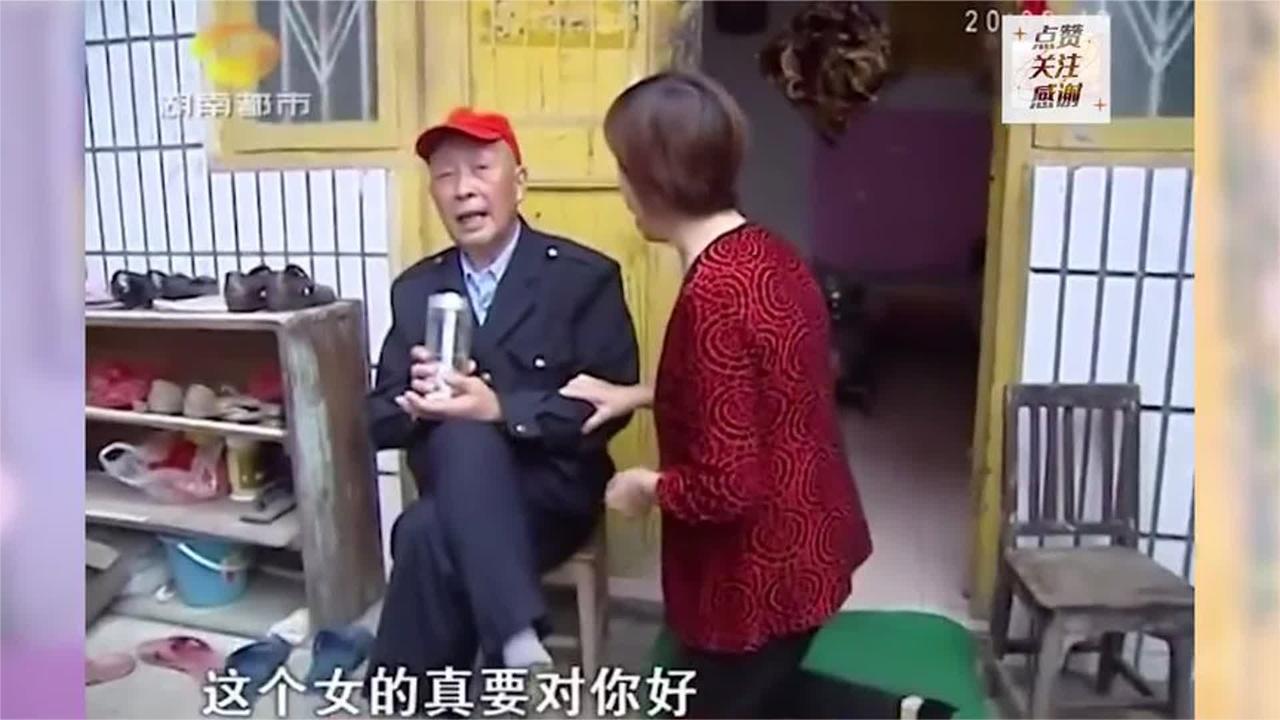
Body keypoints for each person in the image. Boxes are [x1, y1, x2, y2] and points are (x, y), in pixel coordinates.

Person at [559, 73, 956, 719]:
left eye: (625, 169)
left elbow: (726, 487)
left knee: (717, 703)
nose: (622, 188)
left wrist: (644, 487)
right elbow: (769, 385)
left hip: (760, 576)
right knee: (758, 696)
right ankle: (910, 713)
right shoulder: (767, 252)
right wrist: (643, 394)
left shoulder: (714, 295)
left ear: (656, 179)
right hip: (813, 541)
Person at [366, 107, 640, 686]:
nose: (462, 188)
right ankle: (513, 632)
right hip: (454, 490)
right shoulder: (417, 289)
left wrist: (497, 408)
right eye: (445, 175)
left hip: (549, 490)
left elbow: (606, 405)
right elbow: (378, 418)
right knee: (429, 519)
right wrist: (416, 402)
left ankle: (402, 697)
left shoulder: (583, 277)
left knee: (426, 525)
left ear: (518, 182)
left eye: (480, 169)